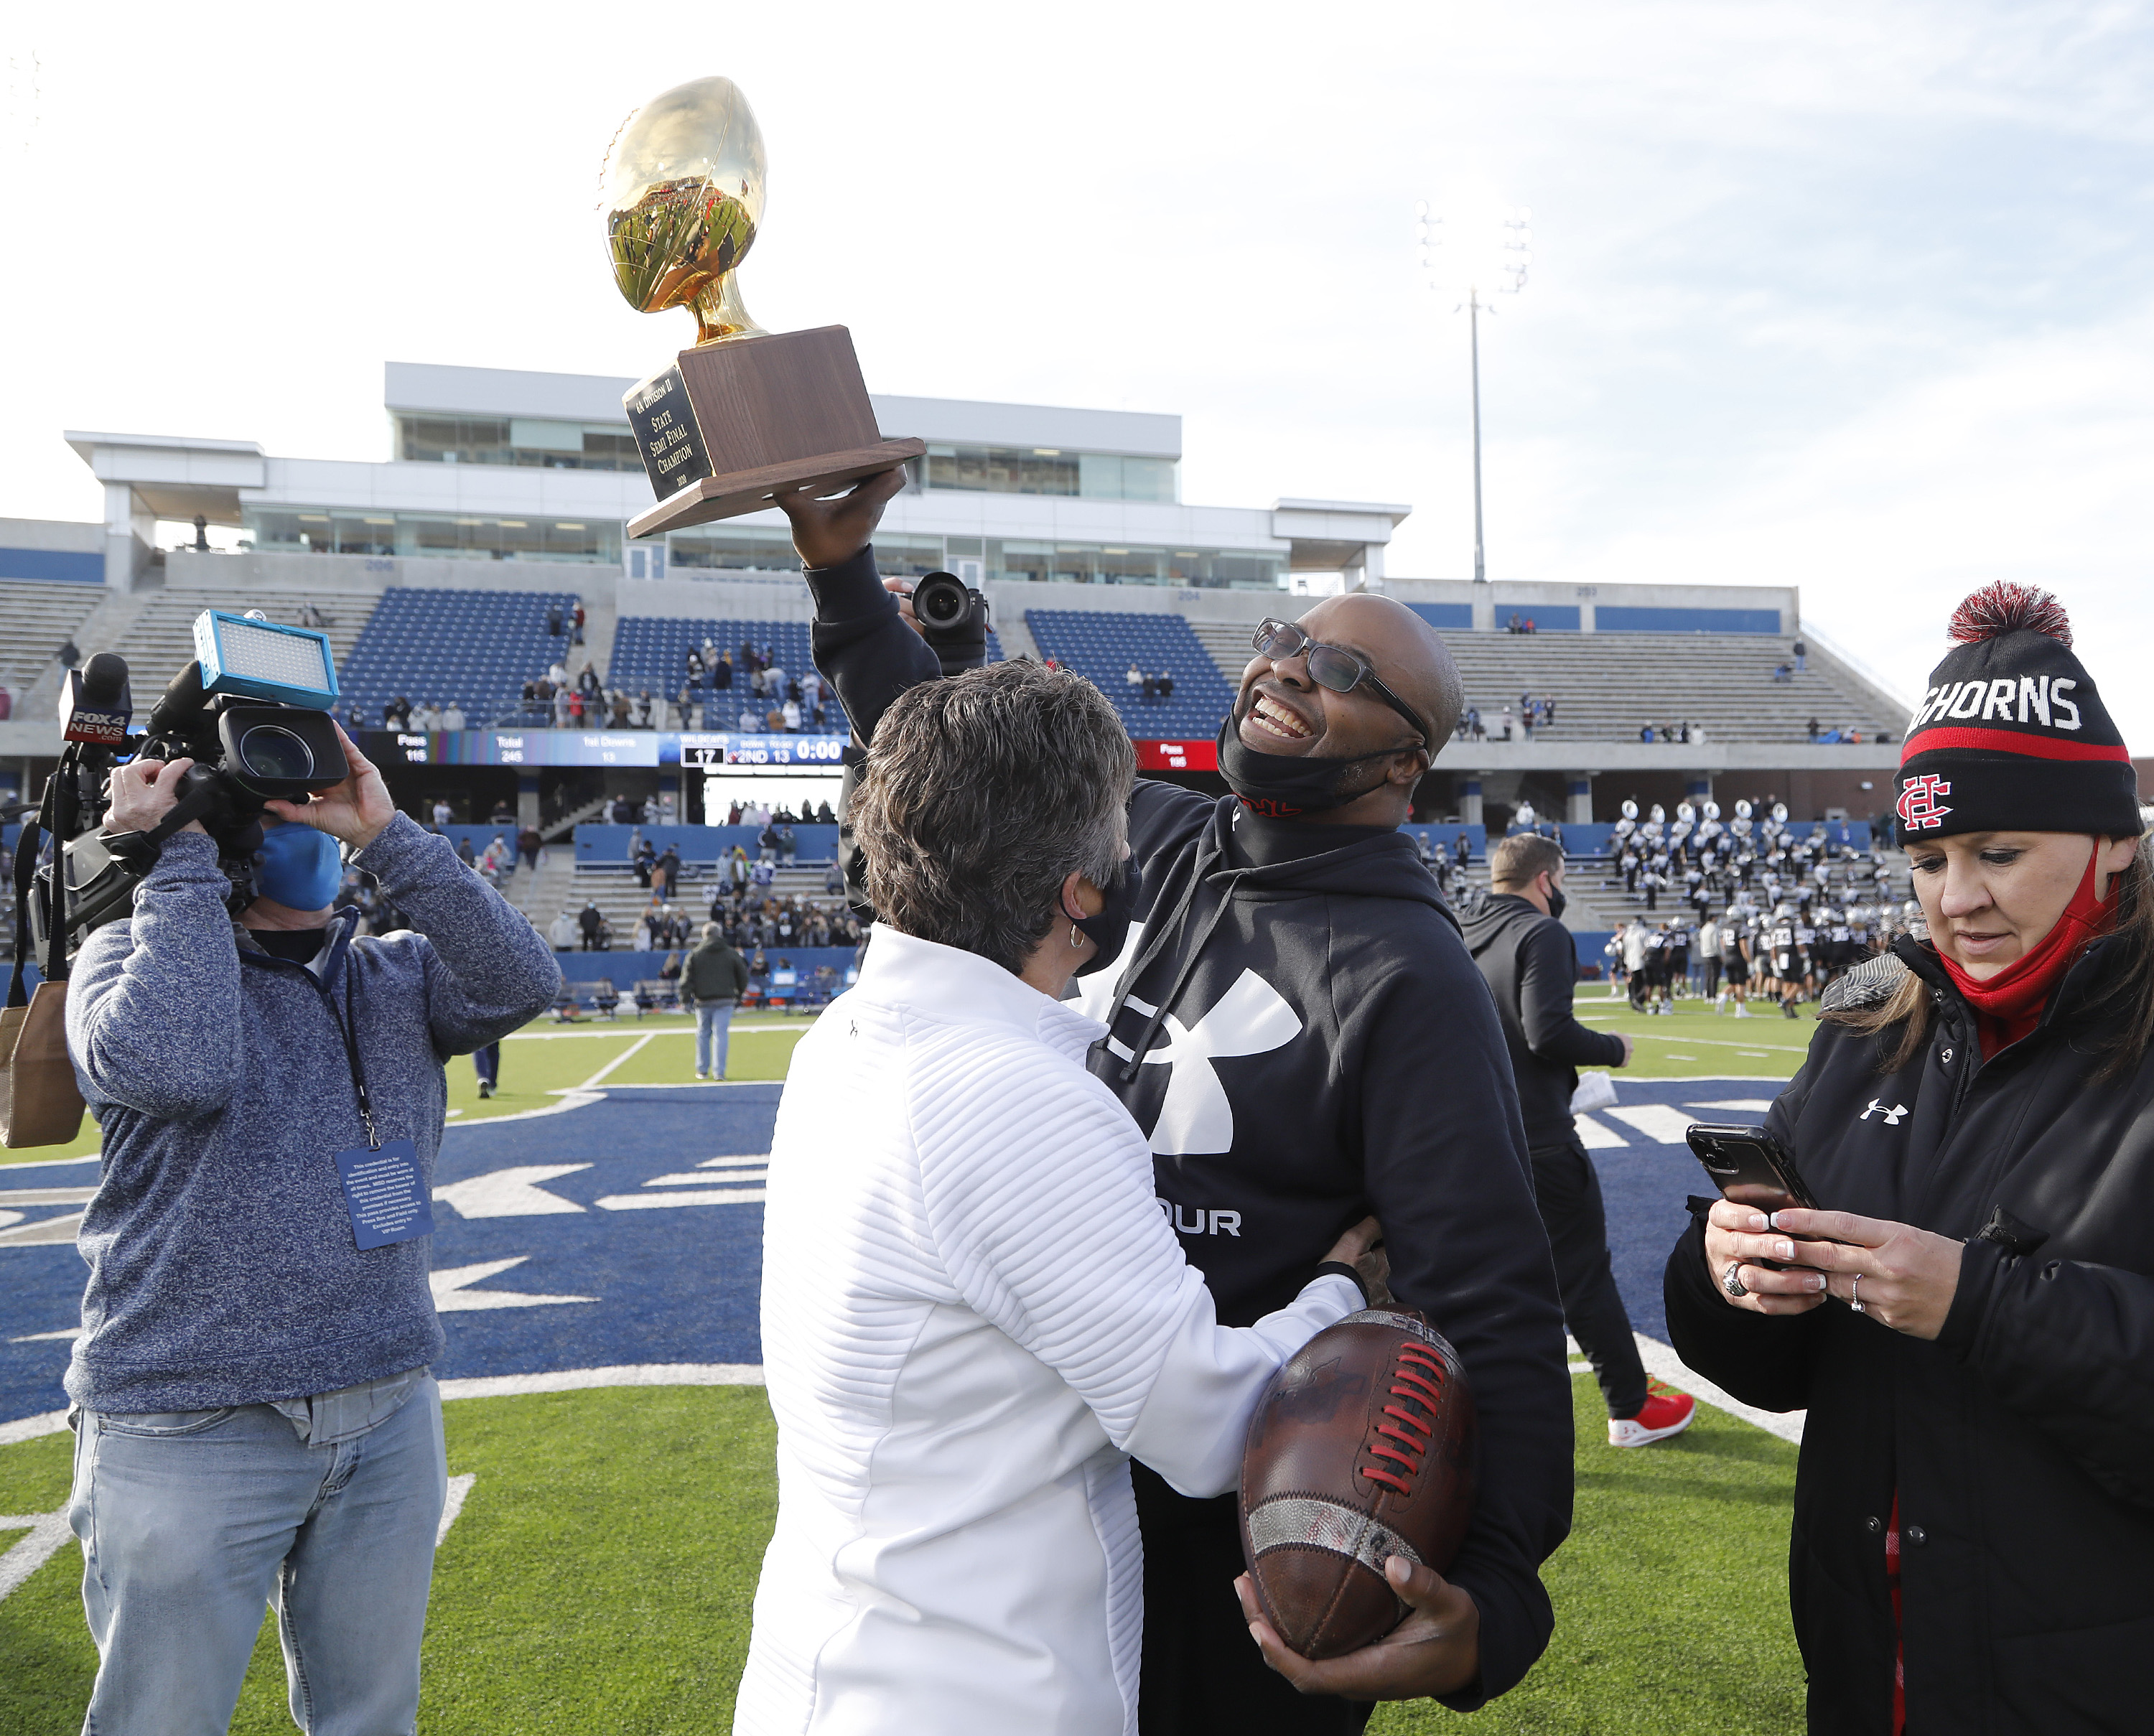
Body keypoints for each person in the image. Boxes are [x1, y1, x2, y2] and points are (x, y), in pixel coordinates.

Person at [782, 468, 1572, 1725]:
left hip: (1247, 1554)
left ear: (1407, 766)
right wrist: (843, 578)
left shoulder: (1412, 973)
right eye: (1286, 640)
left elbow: (1497, 1298)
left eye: (1347, 671)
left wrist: (1497, 1604)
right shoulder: (1174, 838)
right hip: (1064, 1509)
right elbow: (961, 769)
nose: (1292, 668)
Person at [737, 659, 1379, 1734]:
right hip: (971, 1687)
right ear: (1079, 891)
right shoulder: (1013, 1096)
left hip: (844, 1650)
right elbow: (1210, 1426)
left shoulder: (845, 1037)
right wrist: (1338, 1294)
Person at [1666, 582, 2154, 1732]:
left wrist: (1981, 1303)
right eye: (1928, 859)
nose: (1959, 899)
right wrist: (1734, 1273)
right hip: (1866, 1662)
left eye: (1999, 851)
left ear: (2116, 844)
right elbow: (1769, 1364)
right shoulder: (1867, 1007)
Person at [61, 727, 556, 1734]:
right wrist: (183, 859)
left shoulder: (395, 971)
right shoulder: (120, 956)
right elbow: (181, 1065)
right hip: (190, 1417)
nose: (313, 823)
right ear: (232, 831)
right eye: (285, 806)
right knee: (161, 1720)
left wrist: (388, 833)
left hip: (385, 1406)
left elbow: (523, 982)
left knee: (372, 1719)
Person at [1464, 836, 1695, 1447]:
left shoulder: (1459, 931)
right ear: (1547, 880)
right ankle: (1630, 1408)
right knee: (1583, 1278)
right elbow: (1547, 1032)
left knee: (1486, 1285)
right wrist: (1612, 1049)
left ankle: (1463, 1417)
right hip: (1541, 1142)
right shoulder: (1541, 934)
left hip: (1476, 1142)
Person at [681, 921, 750, 1080]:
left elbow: (686, 979)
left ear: (704, 935)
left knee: (703, 1034)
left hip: (703, 1000)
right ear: (720, 934)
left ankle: (702, 1070)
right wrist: (738, 994)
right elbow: (743, 975)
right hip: (725, 999)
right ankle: (719, 1071)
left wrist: (685, 1000)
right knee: (721, 1035)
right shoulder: (730, 953)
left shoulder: (695, 954)